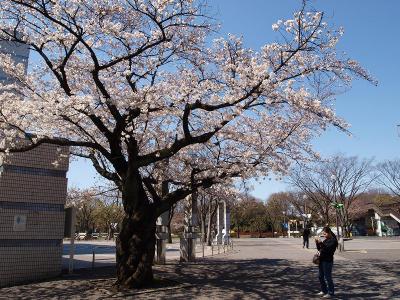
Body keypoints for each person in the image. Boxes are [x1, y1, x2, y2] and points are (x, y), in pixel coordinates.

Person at [315, 226, 338, 298]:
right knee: (320, 276)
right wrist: (317, 242)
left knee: (328, 277)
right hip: (322, 260)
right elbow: (320, 248)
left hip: (327, 261)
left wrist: (320, 243)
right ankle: (324, 290)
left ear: (329, 233)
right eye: (323, 234)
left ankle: (331, 292)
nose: (324, 236)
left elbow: (327, 250)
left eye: (325, 234)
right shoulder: (326, 240)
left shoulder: (333, 241)